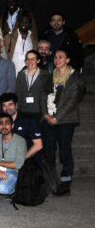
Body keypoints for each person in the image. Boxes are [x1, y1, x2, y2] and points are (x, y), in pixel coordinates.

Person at [43, 48, 85, 196]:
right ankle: (51, 181)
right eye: (55, 57)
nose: (57, 59)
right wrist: (46, 115)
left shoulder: (75, 78)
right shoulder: (50, 76)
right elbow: (43, 95)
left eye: (61, 57)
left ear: (67, 60)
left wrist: (57, 117)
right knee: (49, 151)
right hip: (49, 119)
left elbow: (72, 101)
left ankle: (65, 183)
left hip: (66, 120)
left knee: (65, 151)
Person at [0, 114, 28, 197]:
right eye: (1, 123)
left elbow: (18, 164)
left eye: (7, 123)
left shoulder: (20, 141)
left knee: (2, 188)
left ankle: (12, 189)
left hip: (12, 173)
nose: (4, 126)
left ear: (12, 125)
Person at [15, 50, 51, 122]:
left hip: (39, 110)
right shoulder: (20, 75)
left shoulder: (45, 75)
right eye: (27, 59)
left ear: (38, 61)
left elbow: (48, 92)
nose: (29, 61)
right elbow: (18, 93)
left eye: (32, 59)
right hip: (23, 110)